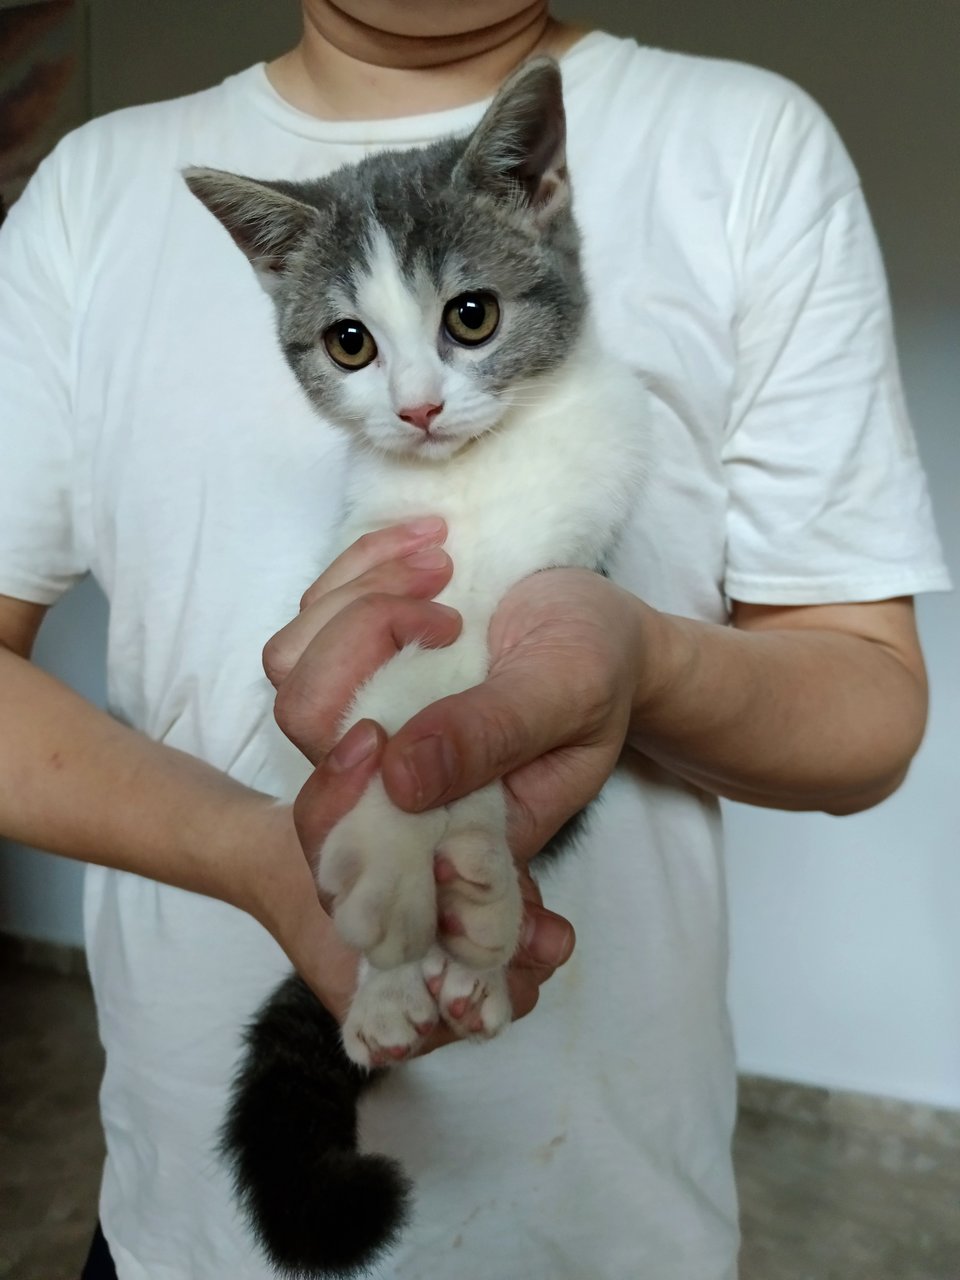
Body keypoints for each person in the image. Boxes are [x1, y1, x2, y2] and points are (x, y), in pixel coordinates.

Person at [0, 3, 949, 1278]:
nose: (418, 400)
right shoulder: (88, 193)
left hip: (611, 1223)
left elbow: (871, 710)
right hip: (181, 1231)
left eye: (465, 320)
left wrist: (642, 662)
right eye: (354, 342)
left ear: (535, 190)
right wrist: (261, 859)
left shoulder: (749, 146)